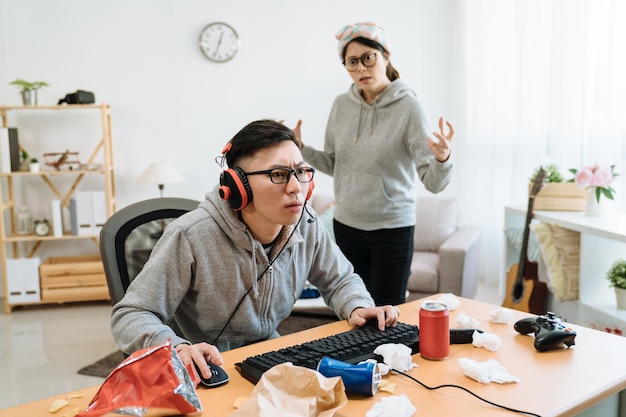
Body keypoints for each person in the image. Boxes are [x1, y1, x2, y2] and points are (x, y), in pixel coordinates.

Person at [110, 119, 400, 382]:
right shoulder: (190, 235)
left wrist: (358, 305)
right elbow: (131, 314)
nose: (296, 187)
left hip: (269, 357)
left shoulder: (305, 222)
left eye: (301, 172)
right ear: (238, 187)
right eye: (278, 174)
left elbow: (339, 280)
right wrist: (177, 347)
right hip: (201, 372)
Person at [295, 22, 455, 306]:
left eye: (368, 58)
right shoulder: (341, 105)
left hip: (392, 230)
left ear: (386, 56)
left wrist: (442, 158)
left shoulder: (409, 108)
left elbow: (434, 182)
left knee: (387, 312)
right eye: (352, 62)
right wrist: (301, 149)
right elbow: (334, 164)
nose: (361, 69)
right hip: (347, 226)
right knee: (353, 308)